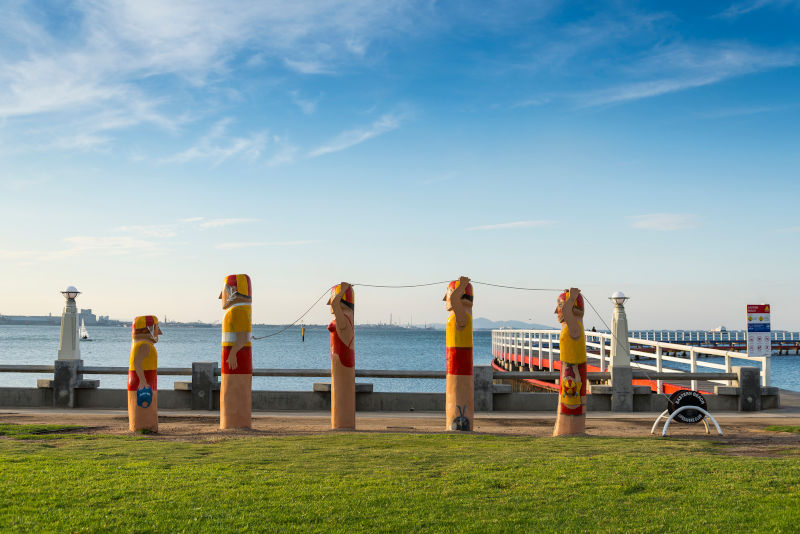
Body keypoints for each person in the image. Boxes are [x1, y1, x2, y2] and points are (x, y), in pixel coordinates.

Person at [219, 274, 253, 429]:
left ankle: (235, 423)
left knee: (234, 391)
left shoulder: (237, 311)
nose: (221, 296)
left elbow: (241, 336)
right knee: (232, 391)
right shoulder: (237, 310)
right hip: (235, 361)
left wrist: (232, 353)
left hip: (236, 361)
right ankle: (232, 422)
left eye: (224, 290)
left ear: (233, 290)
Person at [553, 287, 587, 436]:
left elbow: (567, 312)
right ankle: (564, 430)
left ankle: (569, 431)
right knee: (567, 402)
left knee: (571, 402)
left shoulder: (574, 326)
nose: (556, 311)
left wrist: (572, 297)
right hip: (568, 369)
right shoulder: (571, 327)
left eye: (559, 306)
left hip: (572, 372)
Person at [444, 276, 473, 431]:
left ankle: (459, 422)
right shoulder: (455, 316)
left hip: (460, 369)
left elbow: (456, 300)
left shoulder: (461, 316)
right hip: (454, 366)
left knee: (458, 397)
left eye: (447, 294)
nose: (445, 300)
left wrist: (460, 286)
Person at [127, 315, 162, 433]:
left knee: (147, 407)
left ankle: (144, 427)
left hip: (143, 382)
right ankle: (145, 428)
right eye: (157, 328)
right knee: (145, 409)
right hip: (143, 384)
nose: (159, 332)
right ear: (149, 329)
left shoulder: (140, 344)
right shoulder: (145, 345)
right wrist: (143, 381)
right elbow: (137, 363)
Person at [328, 282, 355, 429]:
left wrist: (343, 289)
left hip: (343, 361)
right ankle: (339, 422)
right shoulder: (340, 317)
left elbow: (334, 304)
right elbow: (334, 304)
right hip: (337, 359)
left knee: (342, 395)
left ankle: (343, 424)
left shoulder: (344, 318)